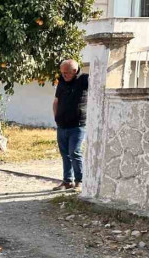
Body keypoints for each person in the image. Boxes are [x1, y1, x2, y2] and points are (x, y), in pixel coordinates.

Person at [52, 59, 89, 192]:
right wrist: (56, 117)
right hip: (62, 125)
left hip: (77, 125)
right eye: (62, 73)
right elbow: (56, 101)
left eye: (67, 73)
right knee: (65, 154)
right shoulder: (61, 81)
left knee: (75, 152)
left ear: (75, 71)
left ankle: (80, 181)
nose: (64, 75)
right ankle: (67, 181)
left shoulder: (84, 80)